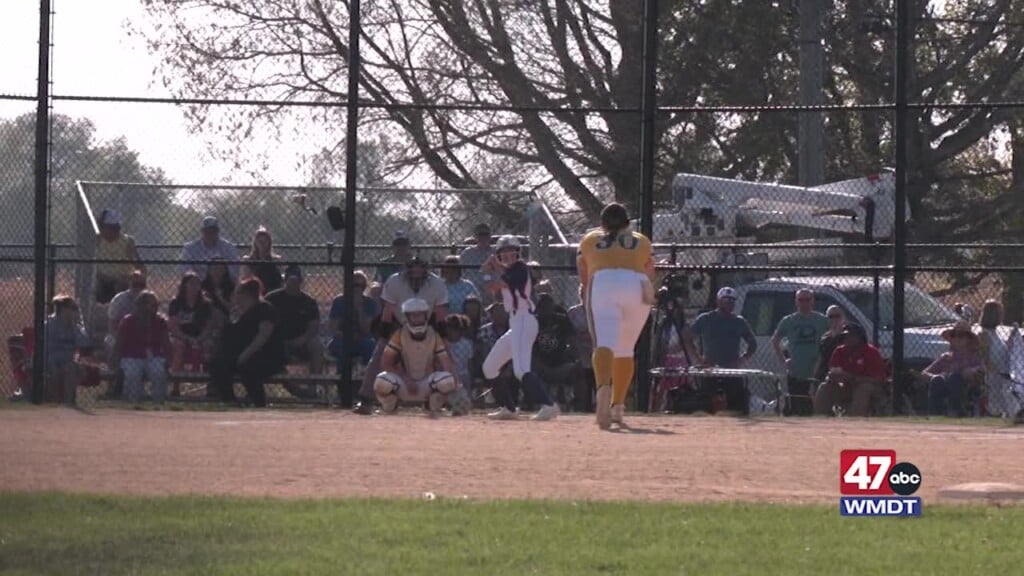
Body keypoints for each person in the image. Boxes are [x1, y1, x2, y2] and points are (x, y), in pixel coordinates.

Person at [577, 203, 655, 429]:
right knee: (625, 349)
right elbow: (650, 269)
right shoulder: (641, 240)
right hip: (637, 283)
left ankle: (603, 388)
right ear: (628, 223)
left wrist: (585, 288)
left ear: (602, 224)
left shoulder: (590, 239)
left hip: (604, 281)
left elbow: (582, 268)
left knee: (604, 343)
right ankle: (618, 406)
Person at [353, 255, 449, 414]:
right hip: (399, 324)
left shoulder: (437, 284)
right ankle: (366, 401)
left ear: (426, 270)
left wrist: (442, 340)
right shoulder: (395, 281)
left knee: (439, 358)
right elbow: (388, 312)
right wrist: (384, 337)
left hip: (426, 326)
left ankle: (436, 401)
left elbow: (440, 315)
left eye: (420, 269)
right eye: (413, 268)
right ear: (407, 269)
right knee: (380, 355)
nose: (416, 272)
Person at [480, 235, 560, 421]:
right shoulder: (508, 270)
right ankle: (508, 408)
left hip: (525, 319)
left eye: (511, 251)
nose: (508, 255)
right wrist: (490, 268)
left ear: (518, 253)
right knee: (489, 367)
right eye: (503, 253)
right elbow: (495, 284)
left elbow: (501, 283)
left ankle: (549, 405)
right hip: (515, 322)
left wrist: (491, 267)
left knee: (521, 370)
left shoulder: (521, 269)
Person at [373, 298, 460, 417]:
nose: (417, 318)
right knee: (381, 381)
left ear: (426, 316)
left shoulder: (434, 336)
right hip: (403, 384)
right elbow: (386, 363)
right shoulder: (399, 335)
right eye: (413, 315)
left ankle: (431, 406)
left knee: (447, 380)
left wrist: (456, 389)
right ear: (407, 317)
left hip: (427, 384)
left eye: (420, 315)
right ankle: (390, 406)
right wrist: (407, 380)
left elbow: (446, 364)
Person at [208, 278, 286, 407]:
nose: (235, 298)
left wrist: (245, 354)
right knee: (217, 363)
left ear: (246, 295)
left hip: (267, 356)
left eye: (238, 294)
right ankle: (230, 401)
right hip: (243, 356)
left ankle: (259, 403)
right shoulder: (241, 313)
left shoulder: (264, 308)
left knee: (249, 366)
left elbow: (263, 335)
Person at [771, 289, 829, 414]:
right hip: (796, 368)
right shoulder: (789, 320)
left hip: (815, 367)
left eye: (807, 299)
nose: (804, 303)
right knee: (797, 404)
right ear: (796, 302)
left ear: (813, 301)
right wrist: (784, 360)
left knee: (814, 404)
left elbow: (832, 337)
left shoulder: (822, 320)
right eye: (801, 300)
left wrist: (823, 360)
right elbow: (775, 340)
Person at [813, 323, 887, 417]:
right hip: (846, 387)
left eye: (852, 336)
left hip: (869, 388)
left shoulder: (871, 352)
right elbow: (833, 371)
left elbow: (879, 379)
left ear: (860, 337)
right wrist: (832, 377)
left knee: (863, 389)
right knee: (824, 387)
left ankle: (854, 420)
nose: (848, 339)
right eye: (845, 336)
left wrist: (854, 378)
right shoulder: (840, 351)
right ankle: (822, 419)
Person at [111, 291, 171, 407]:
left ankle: (158, 403)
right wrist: (115, 361)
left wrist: (168, 360)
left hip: (154, 356)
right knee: (133, 373)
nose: (155, 307)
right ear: (142, 305)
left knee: (158, 373)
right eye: (152, 305)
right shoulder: (128, 321)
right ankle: (133, 403)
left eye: (156, 305)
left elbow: (166, 343)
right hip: (131, 355)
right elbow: (119, 343)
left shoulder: (160, 321)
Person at [922, 320, 983, 417]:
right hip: (944, 384)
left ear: (968, 339)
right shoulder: (946, 357)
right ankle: (935, 414)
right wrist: (937, 376)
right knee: (938, 380)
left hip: (965, 387)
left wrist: (972, 371)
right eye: (955, 335)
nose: (957, 338)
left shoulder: (973, 357)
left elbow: (981, 368)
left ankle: (955, 411)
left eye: (961, 335)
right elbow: (925, 373)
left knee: (955, 378)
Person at [689, 287, 757, 369]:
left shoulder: (739, 321)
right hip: (709, 368)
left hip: (731, 369)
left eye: (732, 301)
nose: (729, 304)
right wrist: (698, 359)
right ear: (718, 301)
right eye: (726, 300)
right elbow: (689, 339)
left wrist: (742, 359)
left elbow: (752, 343)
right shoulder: (705, 319)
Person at [43, 295, 93, 405]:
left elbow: (86, 344)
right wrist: (55, 363)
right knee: (54, 370)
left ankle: (68, 403)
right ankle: (54, 402)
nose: (75, 312)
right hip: (50, 360)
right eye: (72, 309)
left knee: (69, 368)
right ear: (62, 310)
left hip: (67, 362)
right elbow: (45, 350)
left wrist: (75, 327)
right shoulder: (49, 325)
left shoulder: (75, 327)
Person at [327, 270, 379, 368]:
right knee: (341, 347)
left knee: (371, 346)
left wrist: (359, 308)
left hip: (362, 339)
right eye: (354, 285)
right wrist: (346, 335)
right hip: (341, 338)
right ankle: (342, 379)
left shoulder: (369, 303)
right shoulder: (339, 301)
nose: (357, 289)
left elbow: (367, 330)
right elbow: (333, 328)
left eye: (361, 286)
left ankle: (364, 378)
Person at [167, 271, 215, 375]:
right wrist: (187, 339)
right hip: (180, 336)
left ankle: (209, 383)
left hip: (200, 336)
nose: (194, 287)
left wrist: (199, 339)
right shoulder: (176, 303)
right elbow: (173, 328)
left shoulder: (206, 304)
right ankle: (176, 384)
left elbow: (209, 327)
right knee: (179, 346)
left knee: (209, 344)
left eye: (197, 284)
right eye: (191, 283)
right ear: (184, 285)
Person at [93, 209, 144, 304]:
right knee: (95, 286)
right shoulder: (98, 240)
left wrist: (136, 277)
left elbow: (140, 266)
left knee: (120, 286)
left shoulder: (127, 242)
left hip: (122, 280)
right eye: (108, 227)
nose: (113, 231)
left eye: (115, 228)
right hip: (102, 279)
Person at [181, 215, 241, 281]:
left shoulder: (229, 247)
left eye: (213, 231)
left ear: (218, 232)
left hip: (223, 285)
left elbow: (234, 272)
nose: (210, 234)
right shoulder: (190, 248)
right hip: (199, 285)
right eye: (207, 231)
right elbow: (186, 271)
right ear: (202, 231)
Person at [240, 226, 283, 295]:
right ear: (255, 243)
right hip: (254, 292)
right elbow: (245, 279)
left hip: (272, 291)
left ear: (269, 243)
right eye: (260, 241)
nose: (262, 244)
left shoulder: (276, 260)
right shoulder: (248, 260)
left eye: (265, 241)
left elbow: (280, 281)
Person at [459, 223, 494, 303]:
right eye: (480, 234)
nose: (483, 237)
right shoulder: (467, 253)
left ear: (490, 236)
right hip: (472, 292)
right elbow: (462, 274)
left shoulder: (495, 252)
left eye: (486, 234)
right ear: (475, 237)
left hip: (492, 291)